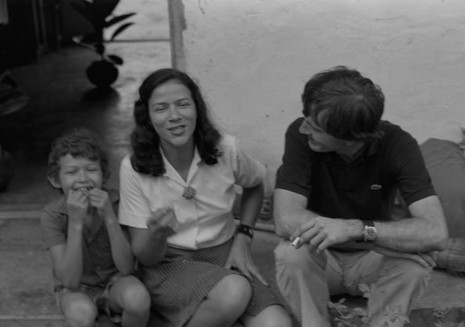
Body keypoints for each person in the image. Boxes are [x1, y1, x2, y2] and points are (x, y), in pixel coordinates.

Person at [273, 66, 449, 327]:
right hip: (322, 260)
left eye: (315, 126)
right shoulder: (300, 136)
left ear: (352, 138)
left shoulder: (398, 144)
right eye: (306, 118)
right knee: (291, 253)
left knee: (414, 265)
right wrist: (375, 239)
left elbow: (435, 232)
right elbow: (286, 219)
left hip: (372, 267)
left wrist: (354, 230)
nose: (303, 129)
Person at [118, 68, 292, 327]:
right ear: (148, 117)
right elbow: (146, 257)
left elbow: (256, 184)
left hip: (225, 256)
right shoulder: (133, 167)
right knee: (234, 292)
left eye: (183, 104)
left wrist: (244, 237)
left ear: (197, 107)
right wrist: (157, 234)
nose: (174, 116)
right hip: (168, 264)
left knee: (277, 324)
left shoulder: (225, 149)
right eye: (161, 108)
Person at [40, 128, 151, 327]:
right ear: (56, 180)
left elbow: (126, 268)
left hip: (116, 280)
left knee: (138, 299)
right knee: (81, 314)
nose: (83, 178)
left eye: (91, 170)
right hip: (76, 289)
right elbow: (70, 281)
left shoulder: (117, 203)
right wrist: (75, 223)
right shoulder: (53, 215)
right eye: (72, 172)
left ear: (104, 174)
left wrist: (109, 216)